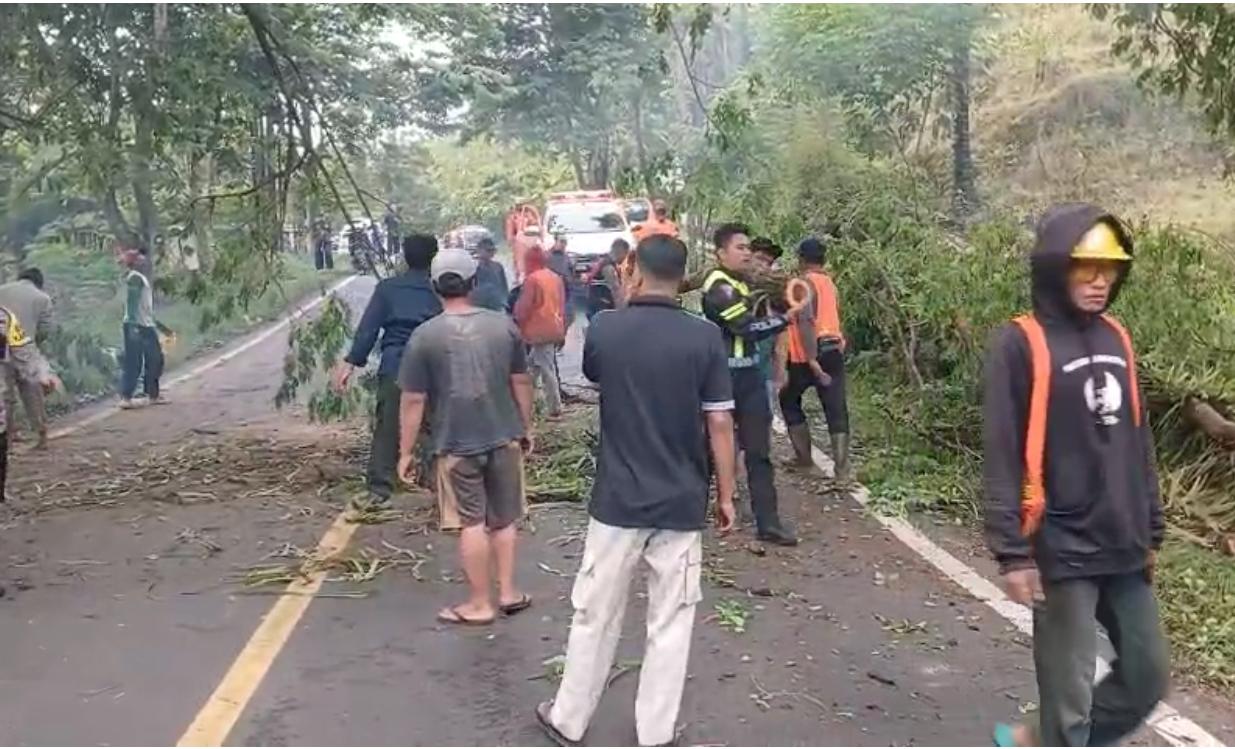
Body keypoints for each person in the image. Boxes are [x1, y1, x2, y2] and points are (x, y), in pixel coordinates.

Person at [536, 234, 737, 748]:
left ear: (634, 271)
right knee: (670, 623)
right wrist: (727, 496)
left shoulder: (607, 328)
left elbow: (597, 371)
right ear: (683, 277)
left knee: (595, 614)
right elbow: (719, 423)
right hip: (682, 501)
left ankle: (569, 719)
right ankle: (656, 732)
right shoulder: (706, 338)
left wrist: (625, 299)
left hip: (617, 504)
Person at [984, 204, 1169, 748]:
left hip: (1124, 540)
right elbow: (1000, 449)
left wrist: (1151, 523)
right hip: (1061, 543)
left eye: (1109, 268)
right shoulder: (1020, 343)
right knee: (1072, 702)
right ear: (1054, 267)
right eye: (1085, 266)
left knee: (1147, 675)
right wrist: (1012, 553)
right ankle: (1052, 738)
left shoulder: (1117, 336)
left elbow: (1138, 439)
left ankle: (1033, 740)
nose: (1099, 280)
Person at [396, 248, 535, 625]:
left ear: (434, 287)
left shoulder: (425, 336)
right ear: (474, 283)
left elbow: (413, 399)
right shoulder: (502, 325)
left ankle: (479, 603)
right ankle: (507, 592)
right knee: (504, 519)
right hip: (504, 435)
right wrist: (526, 426)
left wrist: (405, 452)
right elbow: (521, 380)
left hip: (455, 444)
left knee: (471, 522)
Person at [701, 223, 797, 545]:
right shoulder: (718, 285)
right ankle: (698, 511)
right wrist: (784, 319)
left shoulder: (745, 284)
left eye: (748, 249)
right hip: (723, 377)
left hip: (750, 375)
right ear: (720, 253)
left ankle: (768, 522)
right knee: (709, 449)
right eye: (740, 248)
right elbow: (745, 327)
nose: (747, 254)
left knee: (759, 450)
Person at [335, 234, 442, 504]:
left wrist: (351, 363)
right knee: (438, 422)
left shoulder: (388, 288)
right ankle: (437, 479)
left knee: (389, 424)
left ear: (405, 257)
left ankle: (380, 486)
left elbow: (368, 329)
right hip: (436, 362)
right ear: (434, 256)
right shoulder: (441, 288)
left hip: (398, 363)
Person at [779, 237, 850, 482]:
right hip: (834, 348)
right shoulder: (830, 283)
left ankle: (804, 459)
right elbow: (836, 314)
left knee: (788, 399)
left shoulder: (802, 283)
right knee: (835, 407)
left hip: (806, 356)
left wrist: (811, 360)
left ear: (801, 259)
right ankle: (842, 471)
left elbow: (806, 321)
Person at [0, 267, 54, 448]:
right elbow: (45, 329)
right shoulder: (42, 298)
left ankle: (6, 438)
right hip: (25, 347)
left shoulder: (2, 290)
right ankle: (41, 435)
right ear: (39, 282)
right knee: (32, 391)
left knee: (5, 394)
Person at [513, 247, 566, 417]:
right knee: (533, 366)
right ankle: (527, 403)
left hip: (538, 329)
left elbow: (524, 307)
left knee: (545, 367)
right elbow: (562, 304)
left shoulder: (532, 279)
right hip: (554, 326)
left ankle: (555, 406)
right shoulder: (554, 277)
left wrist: (516, 321)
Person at [118, 247, 171, 409]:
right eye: (139, 258)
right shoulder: (135, 278)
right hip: (138, 326)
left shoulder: (140, 278)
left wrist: (163, 328)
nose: (143, 260)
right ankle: (127, 397)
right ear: (134, 263)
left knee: (154, 360)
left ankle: (152, 393)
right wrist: (133, 327)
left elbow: (146, 310)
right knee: (136, 362)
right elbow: (133, 304)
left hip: (144, 325)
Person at [750, 238, 787, 412]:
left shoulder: (774, 295)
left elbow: (781, 340)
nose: (763, 265)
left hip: (762, 375)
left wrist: (779, 375)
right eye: (760, 258)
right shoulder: (727, 289)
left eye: (768, 262)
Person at [584, 238, 630, 320]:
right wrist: (622, 312)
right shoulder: (608, 267)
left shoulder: (602, 261)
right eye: (626, 254)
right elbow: (615, 290)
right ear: (621, 252)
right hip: (602, 308)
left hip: (593, 305)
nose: (625, 259)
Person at [470, 236, 510, 312]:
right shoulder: (473, 267)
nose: (491, 253)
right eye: (488, 250)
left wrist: (505, 302)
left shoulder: (497, 267)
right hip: (479, 305)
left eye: (492, 251)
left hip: (496, 304)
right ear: (479, 250)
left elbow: (504, 287)